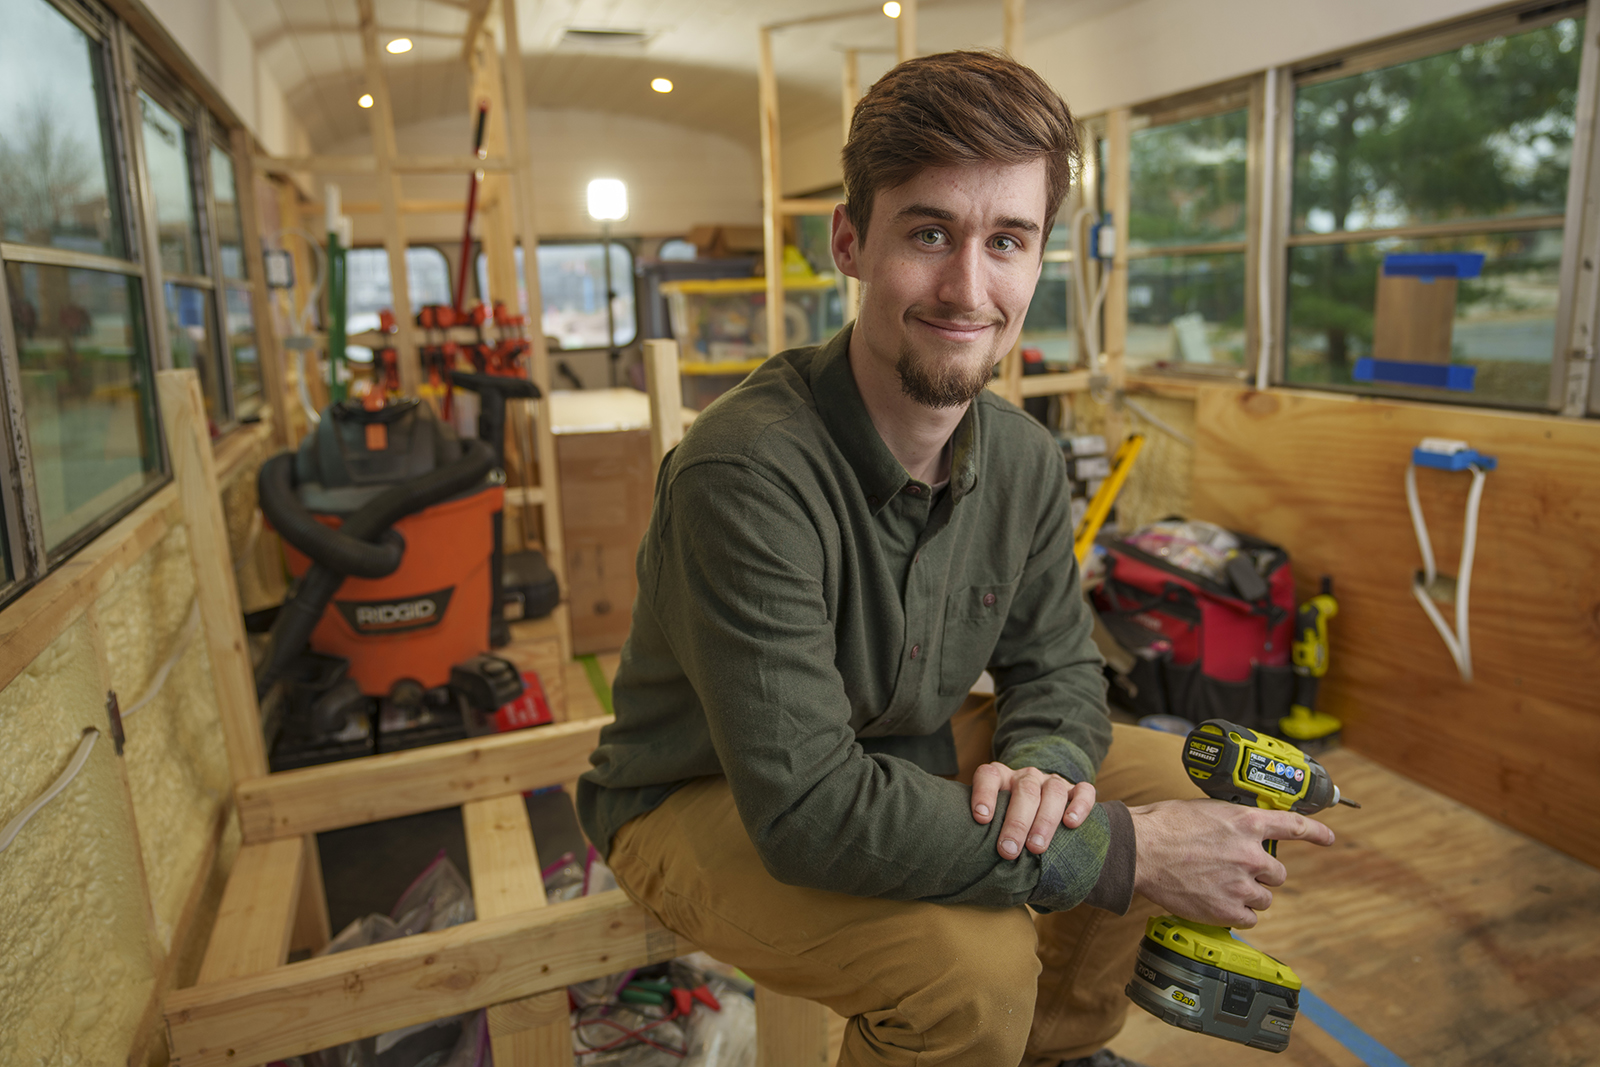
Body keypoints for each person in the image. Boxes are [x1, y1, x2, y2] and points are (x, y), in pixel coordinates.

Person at [577, 50, 1335, 1067]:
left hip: (903, 745)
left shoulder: (1016, 454)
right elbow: (805, 807)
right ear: (851, 240)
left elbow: (1059, 664)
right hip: (701, 795)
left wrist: (1046, 771)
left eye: (1007, 240)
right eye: (928, 232)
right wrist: (1113, 849)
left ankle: (1053, 1047)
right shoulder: (744, 470)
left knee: (1173, 785)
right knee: (968, 970)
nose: (967, 286)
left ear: (1037, 260)